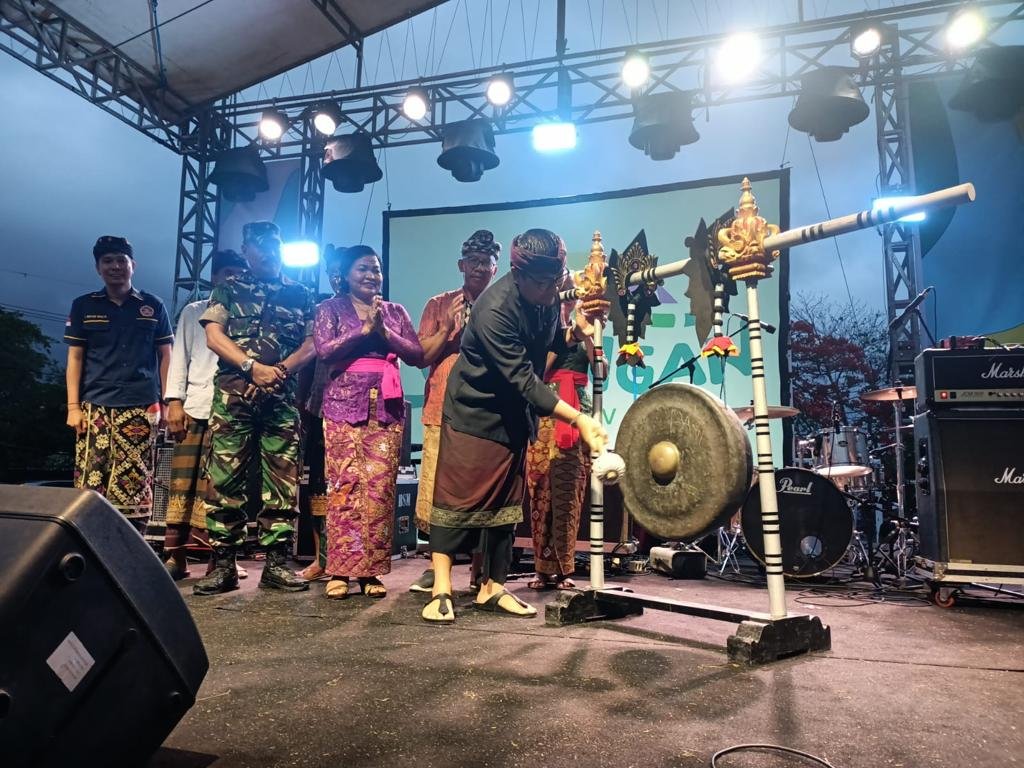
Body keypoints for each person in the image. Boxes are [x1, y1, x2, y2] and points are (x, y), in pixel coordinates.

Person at [422, 228, 607, 623]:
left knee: (505, 505)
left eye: (555, 281)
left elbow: (549, 344)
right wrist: (579, 418)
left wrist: (575, 333)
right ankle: (441, 589)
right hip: (474, 412)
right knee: (457, 499)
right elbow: (523, 378)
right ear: (518, 274)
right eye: (542, 282)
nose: (550, 290)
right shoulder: (494, 309)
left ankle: (493, 587)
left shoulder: (545, 295)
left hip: (513, 415)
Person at [193, 221, 318, 595]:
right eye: (259, 245)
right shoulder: (228, 289)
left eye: (274, 243)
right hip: (234, 399)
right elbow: (213, 336)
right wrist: (252, 367)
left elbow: (312, 344)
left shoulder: (300, 293)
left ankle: (276, 563)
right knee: (225, 480)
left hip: (280, 399)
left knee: (282, 480)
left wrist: (279, 371)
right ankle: (224, 565)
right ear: (246, 250)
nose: (268, 250)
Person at [313, 246, 424, 599]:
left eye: (376, 269)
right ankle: (339, 571)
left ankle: (370, 572)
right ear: (346, 275)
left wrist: (385, 332)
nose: (371, 275)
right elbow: (324, 351)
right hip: (343, 404)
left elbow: (417, 354)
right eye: (363, 269)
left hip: (386, 407)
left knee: (379, 489)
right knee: (344, 486)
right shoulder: (329, 309)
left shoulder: (395, 311)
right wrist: (363, 330)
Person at [408, 229, 500, 594]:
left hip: (487, 410)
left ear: (496, 268)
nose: (479, 268)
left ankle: (481, 568)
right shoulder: (439, 304)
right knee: (436, 486)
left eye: (486, 262)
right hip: (441, 406)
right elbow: (420, 357)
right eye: (472, 261)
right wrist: (448, 329)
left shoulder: (502, 303)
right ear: (461, 265)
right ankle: (436, 566)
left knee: (480, 487)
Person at [65, 235, 173, 533]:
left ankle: (132, 546)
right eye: (108, 261)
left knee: (136, 480)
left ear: (133, 265)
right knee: (91, 480)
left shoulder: (152, 305)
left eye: (121, 260)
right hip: (94, 406)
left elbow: (166, 355)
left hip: (142, 404)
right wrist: (73, 407)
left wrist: (167, 402)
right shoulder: (84, 305)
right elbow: (75, 358)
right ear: (98, 268)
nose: (115, 266)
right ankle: (91, 546)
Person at [162, 249, 248, 581]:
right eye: (228, 273)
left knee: (224, 487)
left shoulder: (248, 314)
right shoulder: (194, 311)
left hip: (233, 410)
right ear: (214, 277)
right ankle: (176, 556)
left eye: (240, 274)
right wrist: (174, 402)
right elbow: (179, 357)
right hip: (196, 407)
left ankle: (221, 559)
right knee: (183, 485)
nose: (234, 279)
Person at [525, 280, 593, 590]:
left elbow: (600, 368)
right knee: (540, 490)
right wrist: (566, 336)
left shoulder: (587, 328)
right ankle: (541, 569)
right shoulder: (544, 330)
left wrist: (587, 332)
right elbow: (538, 370)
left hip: (577, 412)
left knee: (569, 492)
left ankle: (565, 569)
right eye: (563, 296)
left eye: (572, 296)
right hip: (546, 411)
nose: (568, 302)